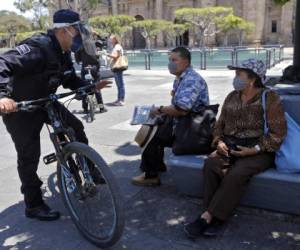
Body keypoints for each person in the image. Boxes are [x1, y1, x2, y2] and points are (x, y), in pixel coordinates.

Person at [0, 9, 110, 221]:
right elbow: (2, 63)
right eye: (77, 32)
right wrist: (2, 96)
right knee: (28, 156)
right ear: (65, 30)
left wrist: (90, 87)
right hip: (21, 109)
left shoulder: (63, 53)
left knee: (76, 127)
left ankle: (89, 169)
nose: (79, 36)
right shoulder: (37, 48)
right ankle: (33, 205)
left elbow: (69, 79)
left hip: (46, 102)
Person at [184, 59, 287, 238]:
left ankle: (207, 217)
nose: (235, 78)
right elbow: (219, 124)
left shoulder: (269, 98)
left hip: (259, 149)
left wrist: (254, 149)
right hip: (230, 144)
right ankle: (214, 217)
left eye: (239, 74)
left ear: (252, 79)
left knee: (238, 173)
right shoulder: (232, 96)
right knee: (211, 164)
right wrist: (219, 141)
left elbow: (278, 133)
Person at [131, 46, 210, 186]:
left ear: (185, 62)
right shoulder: (181, 78)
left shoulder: (191, 79)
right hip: (183, 121)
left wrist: (159, 109)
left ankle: (151, 175)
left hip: (191, 128)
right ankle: (156, 166)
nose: (170, 63)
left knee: (151, 135)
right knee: (150, 125)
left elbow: (182, 109)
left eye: (174, 60)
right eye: (169, 60)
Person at [75, 46, 107, 113]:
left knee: (85, 88)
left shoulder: (81, 47)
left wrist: (79, 61)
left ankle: (85, 108)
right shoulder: (94, 47)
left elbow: (76, 54)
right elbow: (98, 57)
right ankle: (101, 108)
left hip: (85, 67)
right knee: (97, 88)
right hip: (94, 68)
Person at [106, 35, 126, 106]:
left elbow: (116, 56)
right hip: (116, 67)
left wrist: (107, 54)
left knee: (120, 84)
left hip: (118, 67)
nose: (110, 41)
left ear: (115, 39)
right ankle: (119, 99)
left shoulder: (117, 46)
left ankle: (121, 100)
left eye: (111, 39)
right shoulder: (116, 46)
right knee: (119, 84)